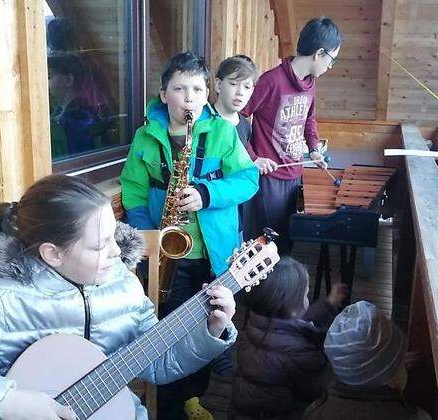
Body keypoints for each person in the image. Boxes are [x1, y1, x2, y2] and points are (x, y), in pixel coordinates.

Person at [0, 174, 238, 420]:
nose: (116, 251)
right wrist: (3, 400)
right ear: (52, 254)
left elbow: (154, 365)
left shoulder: (123, 285)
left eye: (115, 235)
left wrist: (208, 330)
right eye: (99, 245)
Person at [120, 51, 259, 420]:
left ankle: (194, 397)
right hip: (166, 254)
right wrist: (146, 234)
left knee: (206, 326)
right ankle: (168, 401)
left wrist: (208, 195)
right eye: (179, 88)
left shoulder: (223, 132)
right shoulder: (145, 137)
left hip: (213, 256)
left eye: (197, 88)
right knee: (166, 328)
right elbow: (133, 188)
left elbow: (248, 180)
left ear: (207, 91)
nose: (189, 97)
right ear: (164, 95)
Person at [241, 17, 342, 253]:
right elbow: (236, 119)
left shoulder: (310, 83)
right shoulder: (270, 81)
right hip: (270, 180)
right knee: (264, 246)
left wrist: (314, 148)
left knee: (286, 244)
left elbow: (309, 119)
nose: (330, 66)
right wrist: (252, 157)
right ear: (319, 53)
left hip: (295, 175)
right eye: (331, 60)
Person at [229, 257, 346, 420]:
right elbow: (317, 390)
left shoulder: (255, 327)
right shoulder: (298, 353)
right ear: (290, 308)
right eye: (305, 295)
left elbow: (293, 325)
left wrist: (327, 304)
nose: (307, 300)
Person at [302, 301, 431, 420]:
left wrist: (390, 364)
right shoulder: (416, 417)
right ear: (391, 380)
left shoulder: (315, 412)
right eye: (401, 361)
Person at [212, 54, 260, 240]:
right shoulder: (204, 121)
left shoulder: (245, 125)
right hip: (211, 211)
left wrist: (254, 164)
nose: (240, 92)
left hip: (236, 214)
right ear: (218, 85)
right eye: (233, 84)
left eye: (247, 87)